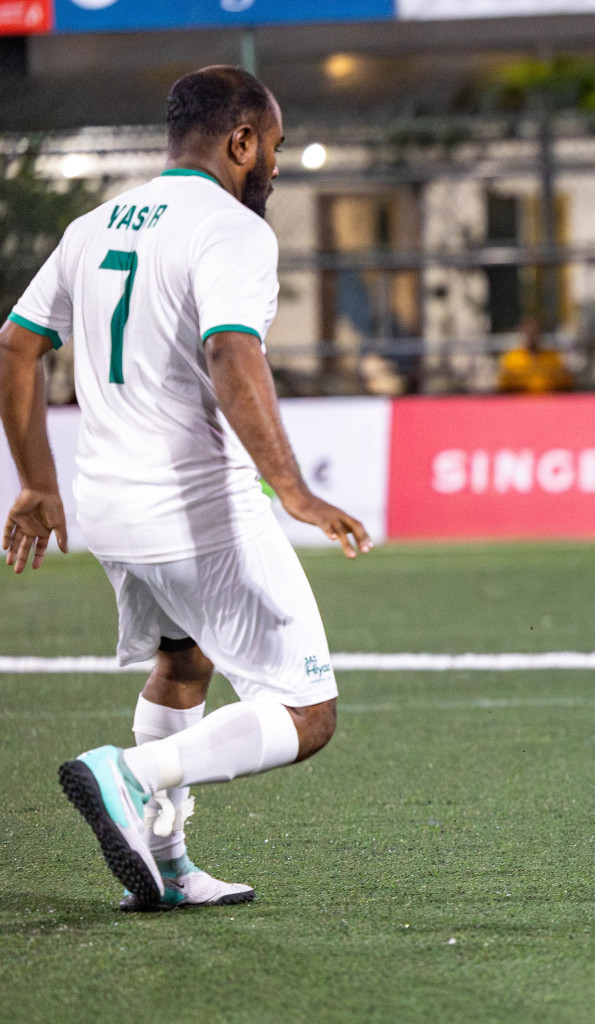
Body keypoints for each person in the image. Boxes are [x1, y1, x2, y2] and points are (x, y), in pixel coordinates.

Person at [0, 66, 371, 910]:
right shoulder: (232, 229)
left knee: (183, 664)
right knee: (306, 713)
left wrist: (36, 483)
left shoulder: (92, 226)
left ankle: (165, 864)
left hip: (111, 512)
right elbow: (231, 352)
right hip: (199, 510)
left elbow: (16, 347)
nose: (273, 168)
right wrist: (294, 488)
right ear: (240, 141)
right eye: (271, 149)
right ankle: (131, 775)